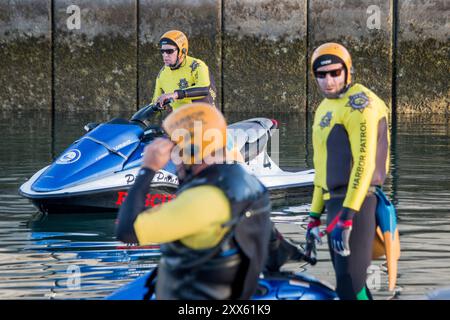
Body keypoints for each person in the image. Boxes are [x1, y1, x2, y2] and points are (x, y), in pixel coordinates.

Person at [116, 103, 276, 300]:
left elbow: (127, 231)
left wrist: (148, 168)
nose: (172, 158)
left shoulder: (202, 200)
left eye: (174, 148)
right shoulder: (250, 183)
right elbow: (272, 241)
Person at [306, 43, 391, 300]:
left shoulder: (360, 104)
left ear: (348, 71)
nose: (328, 81)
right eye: (321, 75)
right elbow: (321, 168)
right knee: (350, 285)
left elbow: (363, 164)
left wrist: (348, 216)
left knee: (350, 285)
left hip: (359, 204)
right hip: (334, 203)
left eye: (335, 73)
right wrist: (313, 215)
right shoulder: (325, 107)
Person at [152, 30, 217, 111]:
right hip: (180, 120)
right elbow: (154, 103)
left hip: (203, 118)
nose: (165, 55)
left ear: (182, 50)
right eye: (162, 51)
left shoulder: (197, 65)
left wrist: (176, 94)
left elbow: (204, 89)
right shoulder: (162, 74)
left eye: (169, 51)